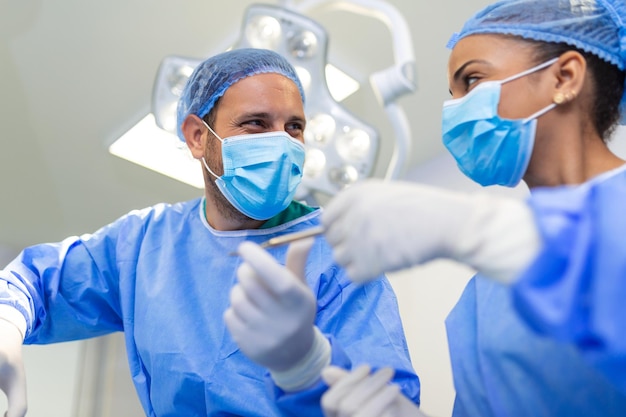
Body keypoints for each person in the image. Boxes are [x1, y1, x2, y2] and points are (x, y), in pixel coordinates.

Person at [0, 48, 420, 417]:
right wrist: (5, 325)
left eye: (294, 127)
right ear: (199, 136)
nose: (282, 143)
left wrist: (308, 363)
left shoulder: (339, 252)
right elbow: (37, 281)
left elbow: (391, 405)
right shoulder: (147, 244)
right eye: (256, 123)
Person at [318, 0, 626, 416]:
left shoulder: (498, 241)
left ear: (565, 77)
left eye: (473, 80)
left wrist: (486, 231)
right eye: (454, 93)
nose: (455, 111)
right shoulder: (485, 292)